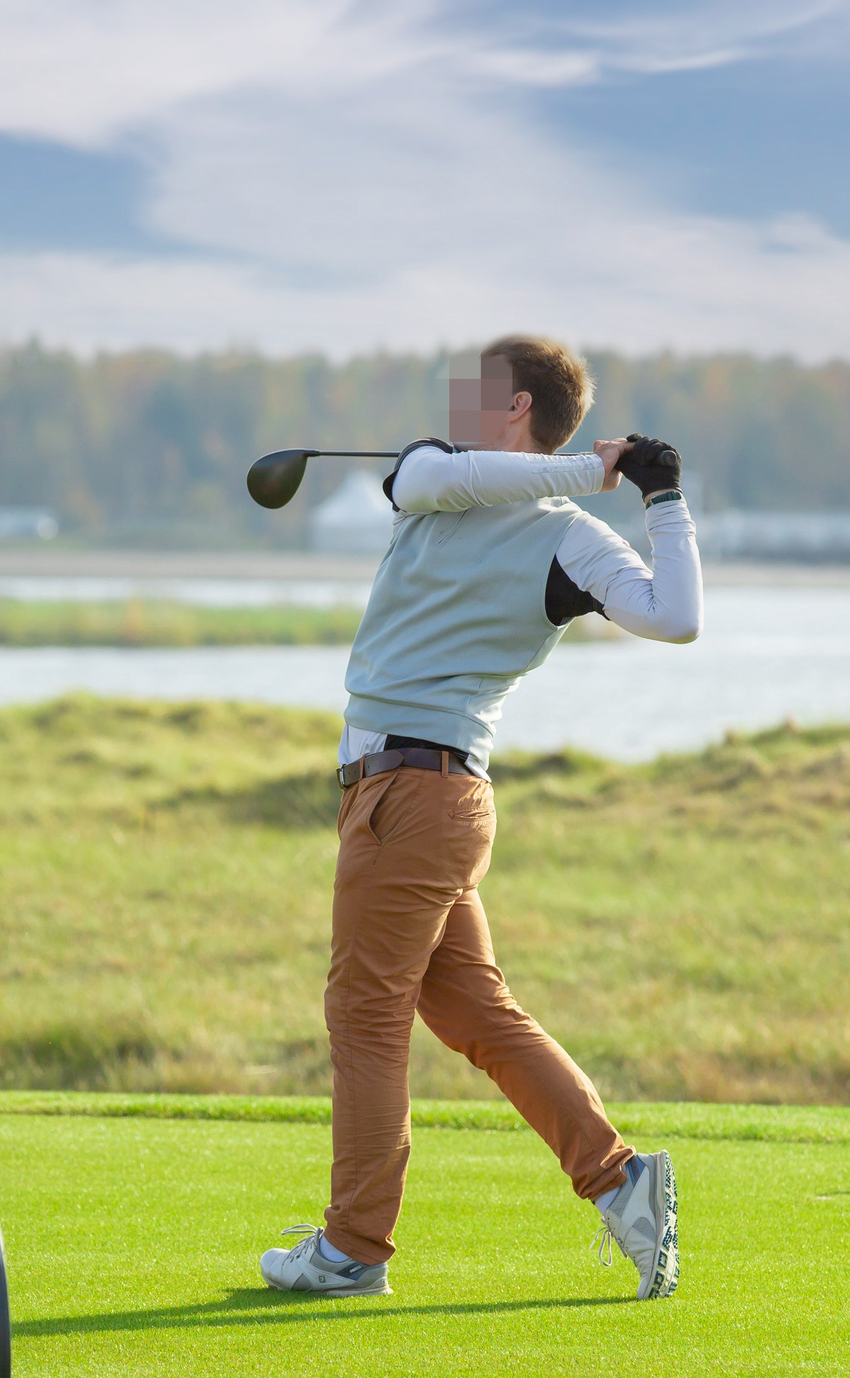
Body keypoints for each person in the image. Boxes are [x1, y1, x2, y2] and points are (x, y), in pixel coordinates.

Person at [260, 335, 703, 1301]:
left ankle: (352, 1249)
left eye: (476, 394)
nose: (452, 407)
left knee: (365, 1019)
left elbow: (676, 616)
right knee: (473, 1011)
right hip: (437, 801)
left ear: (516, 408)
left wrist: (665, 502)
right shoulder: (434, 475)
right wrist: (598, 468)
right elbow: (432, 475)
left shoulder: (571, 537)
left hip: (410, 796)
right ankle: (620, 1176)